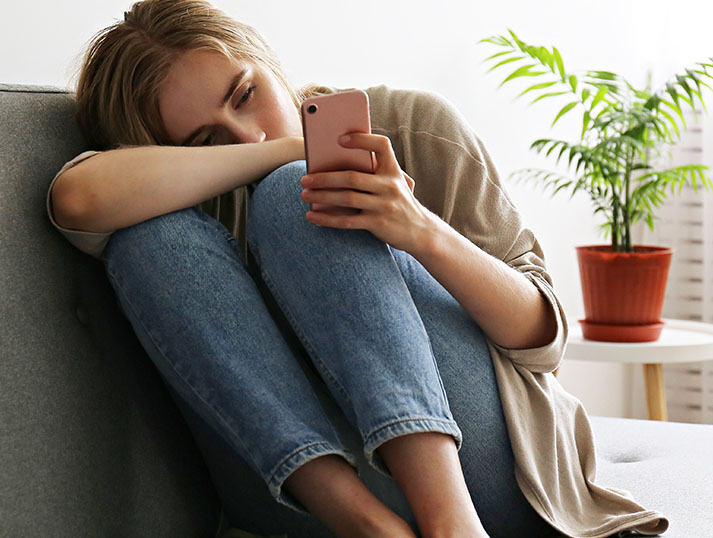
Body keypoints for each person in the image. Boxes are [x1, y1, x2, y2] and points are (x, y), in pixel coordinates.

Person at [45, 1, 669, 537]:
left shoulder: (413, 124)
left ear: (265, 58)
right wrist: (293, 150)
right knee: (153, 237)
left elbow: (544, 340)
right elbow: (77, 199)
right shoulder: (170, 195)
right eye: (202, 142)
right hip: (303, 495)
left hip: (487, 469)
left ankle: (454, 525)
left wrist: (419, 230)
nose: (245, 137)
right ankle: (370, 529)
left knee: (299, 193)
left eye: (245, 95)